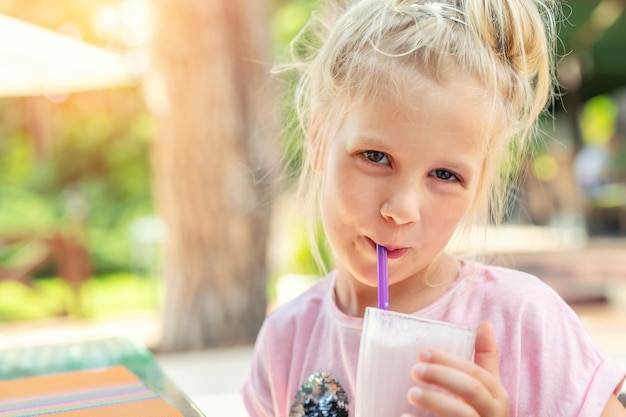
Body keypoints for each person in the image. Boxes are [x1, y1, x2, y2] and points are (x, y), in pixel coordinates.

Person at [241, 0, 626, 415]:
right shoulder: (286, 340)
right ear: (317, 138)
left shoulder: (523, 323)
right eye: (375, 156)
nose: (402, 210)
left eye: (445, 175)